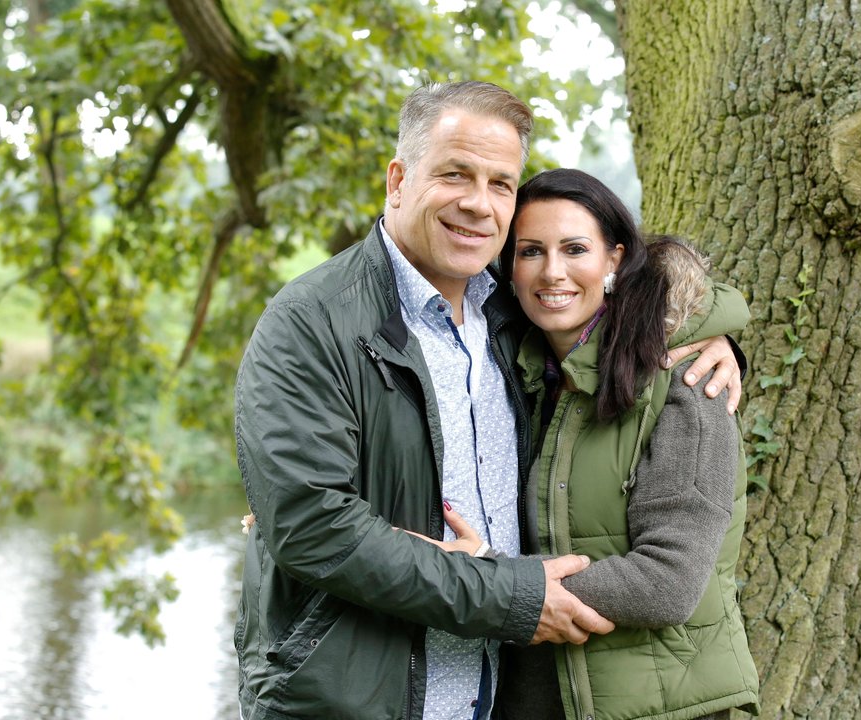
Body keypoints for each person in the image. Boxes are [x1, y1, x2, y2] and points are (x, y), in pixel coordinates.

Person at [232, 81, 743, 720]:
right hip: (356, 698)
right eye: (454, 175)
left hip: (493, 693)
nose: (478, 203)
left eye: (500, 184)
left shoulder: (511, 311)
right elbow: (309, 523)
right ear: (398, 180)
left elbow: (616, 292)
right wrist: (511, 593)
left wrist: (705, 330)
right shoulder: (312, 320)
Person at [424, 168, 761, 720]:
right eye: (530, 251)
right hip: (540, 694)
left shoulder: (687, 382)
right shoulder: (518, 380)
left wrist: (495, 581)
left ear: (613, 260)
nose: (552, 272)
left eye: (575, 248)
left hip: (664, 705)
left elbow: (668, 582)